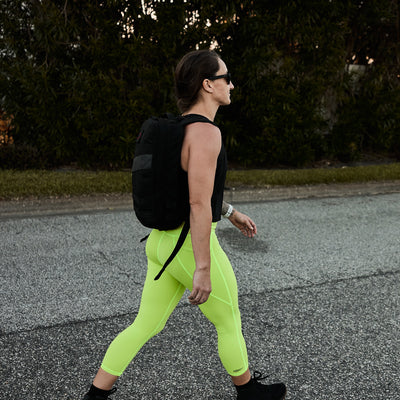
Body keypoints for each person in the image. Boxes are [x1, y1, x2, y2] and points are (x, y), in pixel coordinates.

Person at [82, 49, 286, 400]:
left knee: (145, 325)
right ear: (208, 85)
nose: (232, 85)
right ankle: (249, 392)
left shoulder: (175, 130)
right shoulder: (207, 134)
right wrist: (202, 267)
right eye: (226, 78)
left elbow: (189, 190)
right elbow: (195, 203)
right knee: (228, 320)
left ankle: (95, 396)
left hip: (160, 244)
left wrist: (231, 212)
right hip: (189, 247)